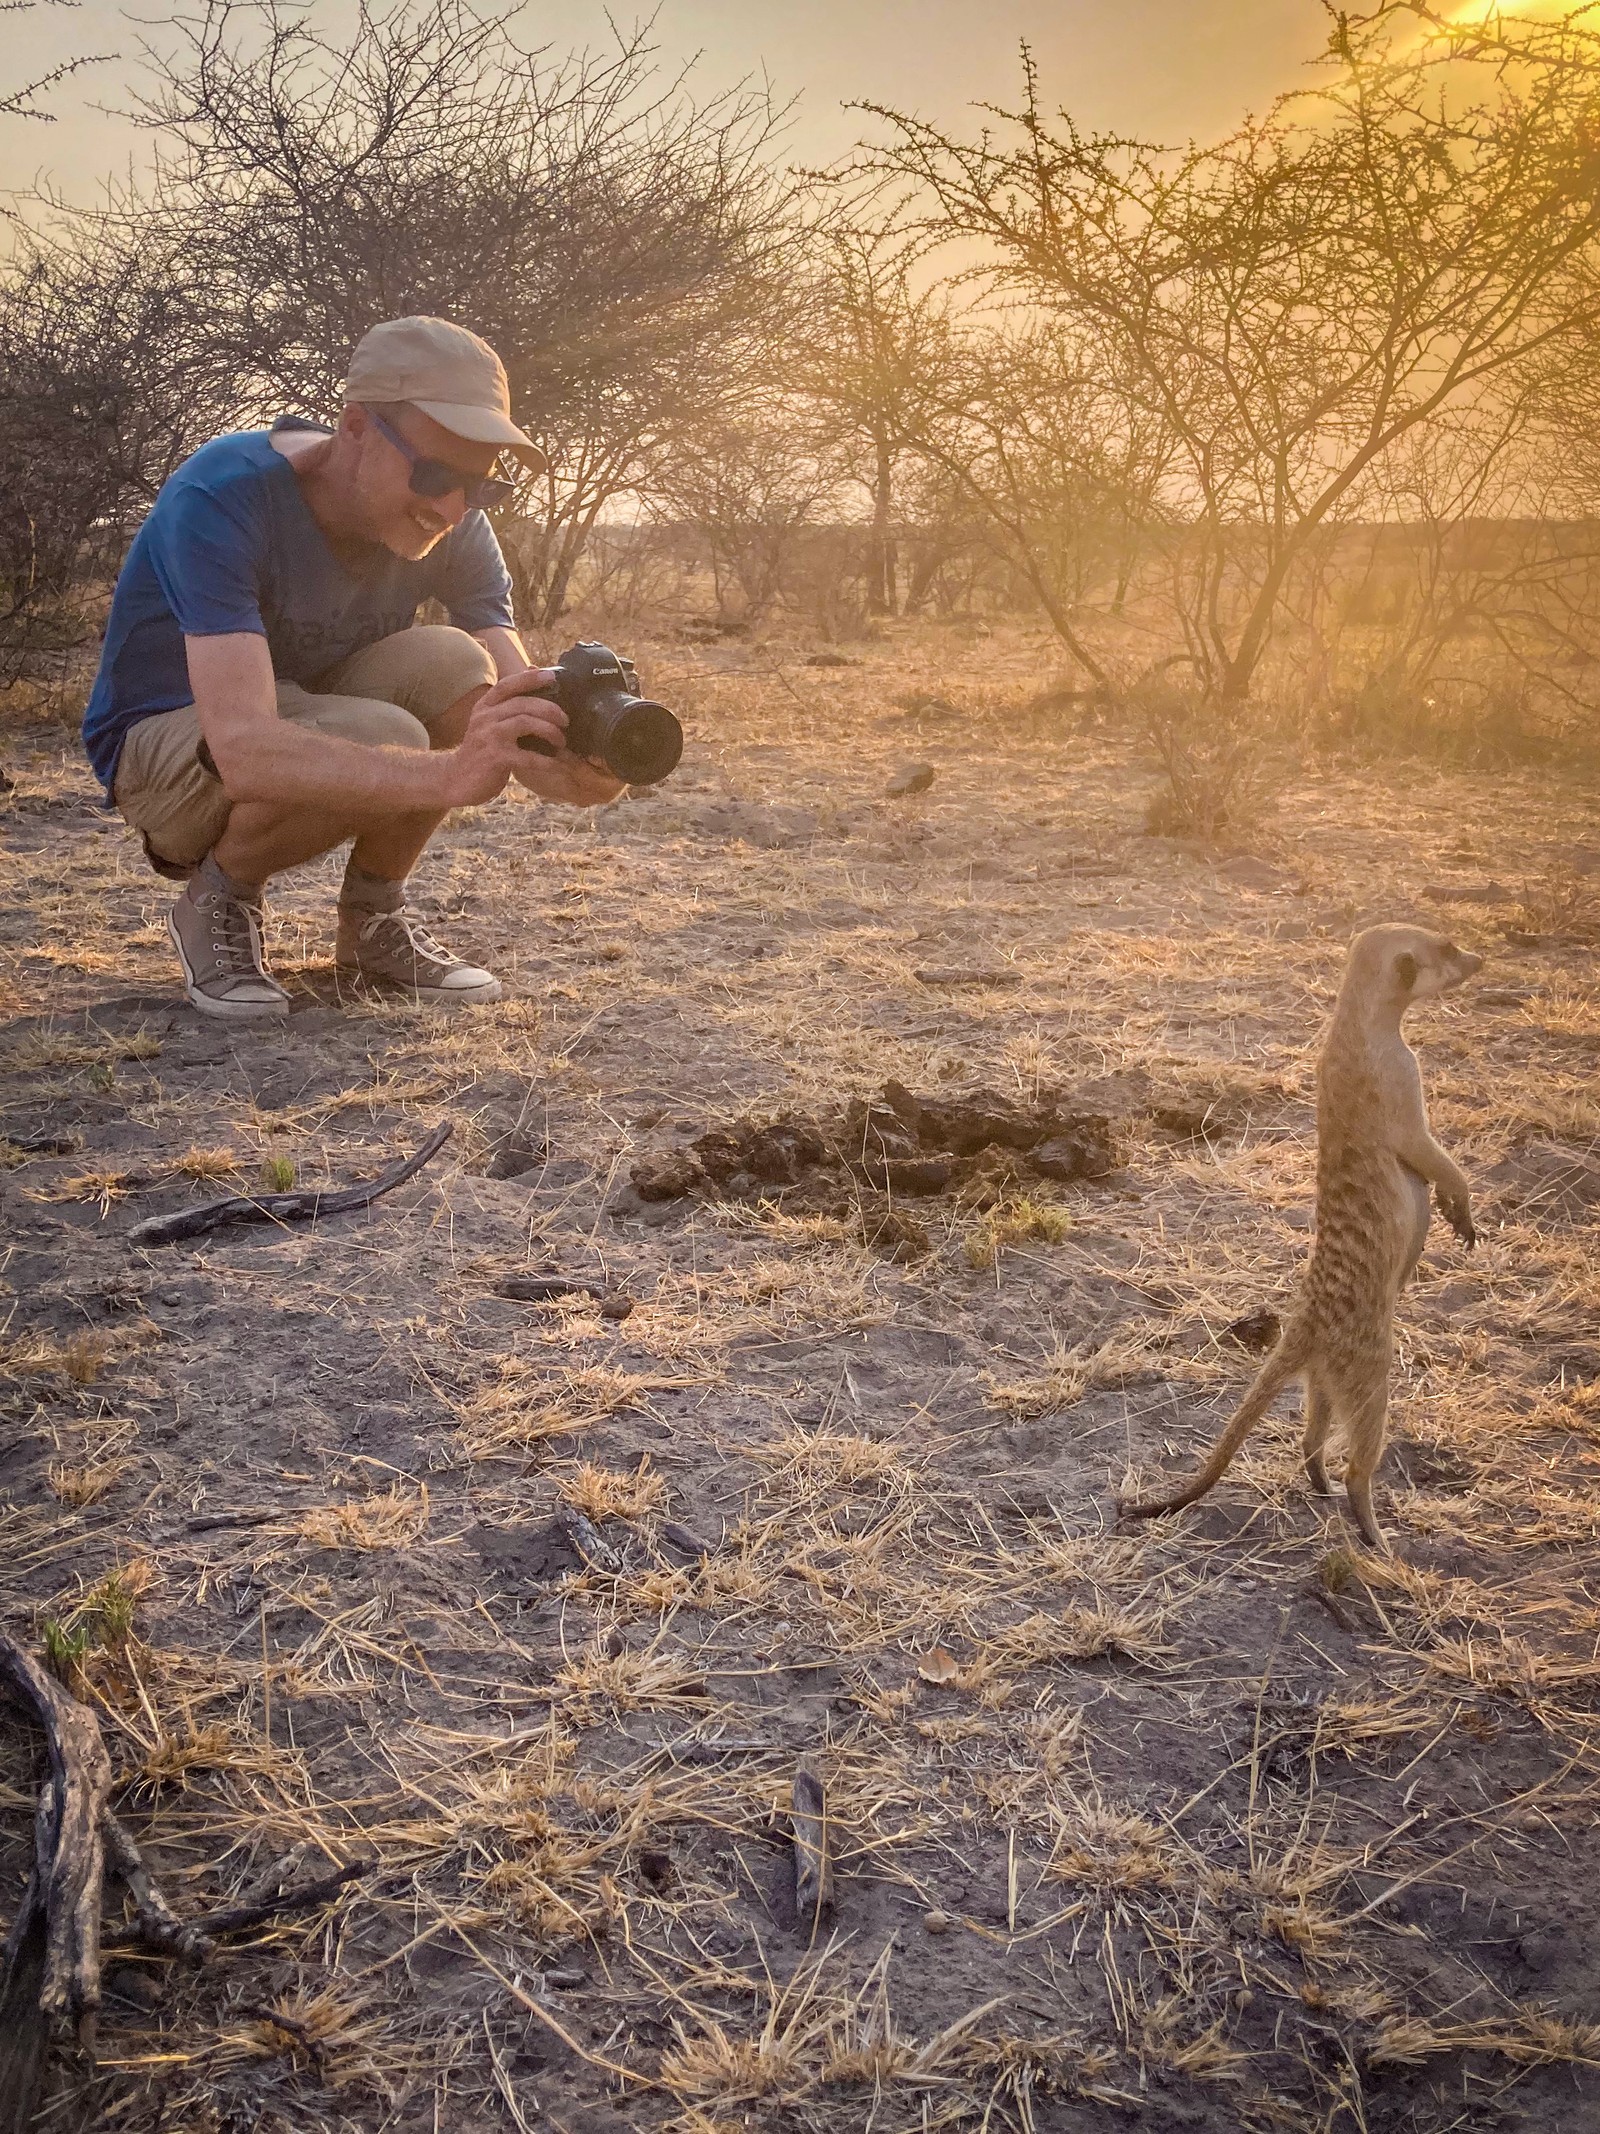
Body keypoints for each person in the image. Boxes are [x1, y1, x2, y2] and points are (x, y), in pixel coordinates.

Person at [80, 315, 623, 1020]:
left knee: (457, 666)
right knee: (382, 727)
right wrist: (453, 773)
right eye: (432, 472)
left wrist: (572, 755)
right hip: (163, 751)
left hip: (305, 709)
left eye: (479, 486)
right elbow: (243, 748)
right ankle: (217, 900)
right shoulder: (222, 494)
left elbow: (511, 685)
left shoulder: (453, 521)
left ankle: (372, 919)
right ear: (357, 427)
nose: (450, 509)